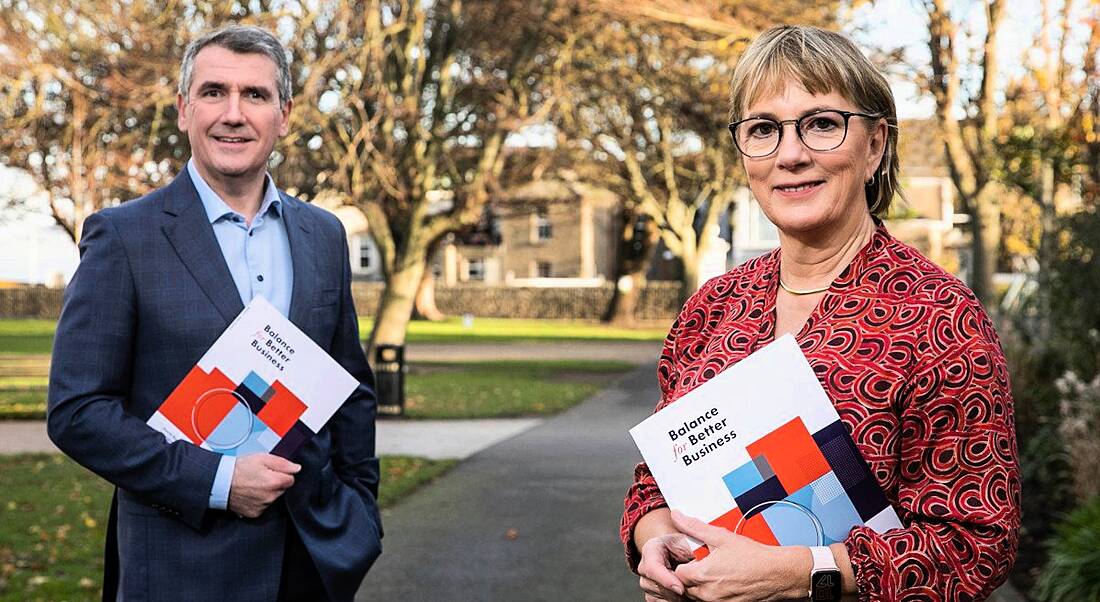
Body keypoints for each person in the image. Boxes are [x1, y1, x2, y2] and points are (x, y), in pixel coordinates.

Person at [621, 25, 1019, 602]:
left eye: (823, 123)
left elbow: (978, 546)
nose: (790, 154)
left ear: (876, 144)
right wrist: (653, 536)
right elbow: (656, 479)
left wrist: (799, 572)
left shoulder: (939, 317)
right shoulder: (713, 308)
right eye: (763, 129)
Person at [47, 25, 381, 602]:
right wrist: (220, 481)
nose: (234, 113)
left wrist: (360, 510)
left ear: (284, 114)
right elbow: (78, 410)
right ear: (183, 111)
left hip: (311, 556)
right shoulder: (125, 236)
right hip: (181, 566)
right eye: (213, 92)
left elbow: (348, 389)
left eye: (255, 95)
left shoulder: (323, 235)